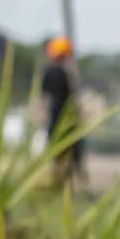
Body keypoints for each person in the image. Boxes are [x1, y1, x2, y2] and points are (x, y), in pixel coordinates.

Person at [41, 35, 85, 186]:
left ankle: (63, 176)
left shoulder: (53, 72)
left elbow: (44, 97)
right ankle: (66, 175)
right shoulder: (62, 73)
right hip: (61, 115)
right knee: (68, 148)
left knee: (61, 148)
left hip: (60, 116)